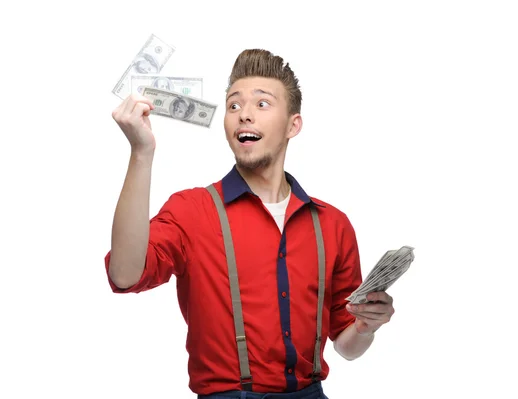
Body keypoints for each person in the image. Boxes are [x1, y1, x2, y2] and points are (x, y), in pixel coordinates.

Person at [105, 49, 396, 398]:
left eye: (262, 104)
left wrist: (366, 327)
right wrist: (141, 153)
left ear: (293, 125)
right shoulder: (192, 211)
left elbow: (346, 345)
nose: (244, 114)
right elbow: (124, 274)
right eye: (233, 105)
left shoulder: (332, 225)